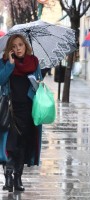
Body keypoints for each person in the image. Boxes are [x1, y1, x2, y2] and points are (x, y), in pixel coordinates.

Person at [0, 34, 43, 192]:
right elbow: (0, 80)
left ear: (26, 46)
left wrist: (37, 83)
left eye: (20, 45)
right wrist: (10, 65)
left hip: (29, 109)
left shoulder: (34, 62)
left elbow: (39, 83)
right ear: (10, 49)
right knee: (10, 145)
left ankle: (18, 178)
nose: (18, 48)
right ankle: (8, 176)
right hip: (10, 109)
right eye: (14, 46)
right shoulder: (5, 62)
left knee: (23, 144)